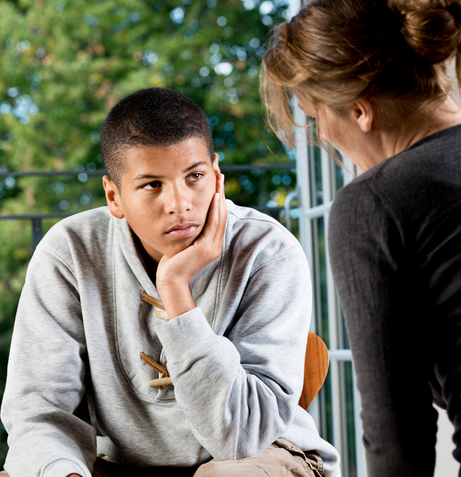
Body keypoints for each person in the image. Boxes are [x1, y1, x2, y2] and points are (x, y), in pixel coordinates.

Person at [0, 87, 340, 477]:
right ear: (114, 196)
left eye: (195, 177)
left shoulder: (268, 251)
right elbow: (40, 413)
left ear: (216, 174)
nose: (180, 203)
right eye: (152, 185)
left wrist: (175, 287)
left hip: (263, 456)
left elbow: (241, 439)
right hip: (120, 464)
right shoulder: (70, 252)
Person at [261, 0, 461, 477]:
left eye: (315, 120)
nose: (325, 140)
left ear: (360, 111)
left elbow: (398, 435)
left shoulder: (373, 203)